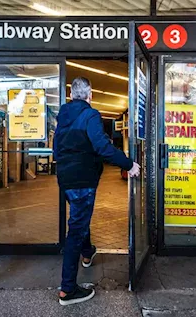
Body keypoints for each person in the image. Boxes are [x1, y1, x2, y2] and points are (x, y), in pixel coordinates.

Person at [53, 77, 140, 305]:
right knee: (76, 229)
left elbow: (57, 148)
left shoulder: (62, 116)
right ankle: (68, 289)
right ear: (90, 94)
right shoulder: (90, 115)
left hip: (66, 179)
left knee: (80, 219)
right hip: (83, 179)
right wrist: (128, 164)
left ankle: (87, 251)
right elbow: (101, 146)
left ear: (72, 95)